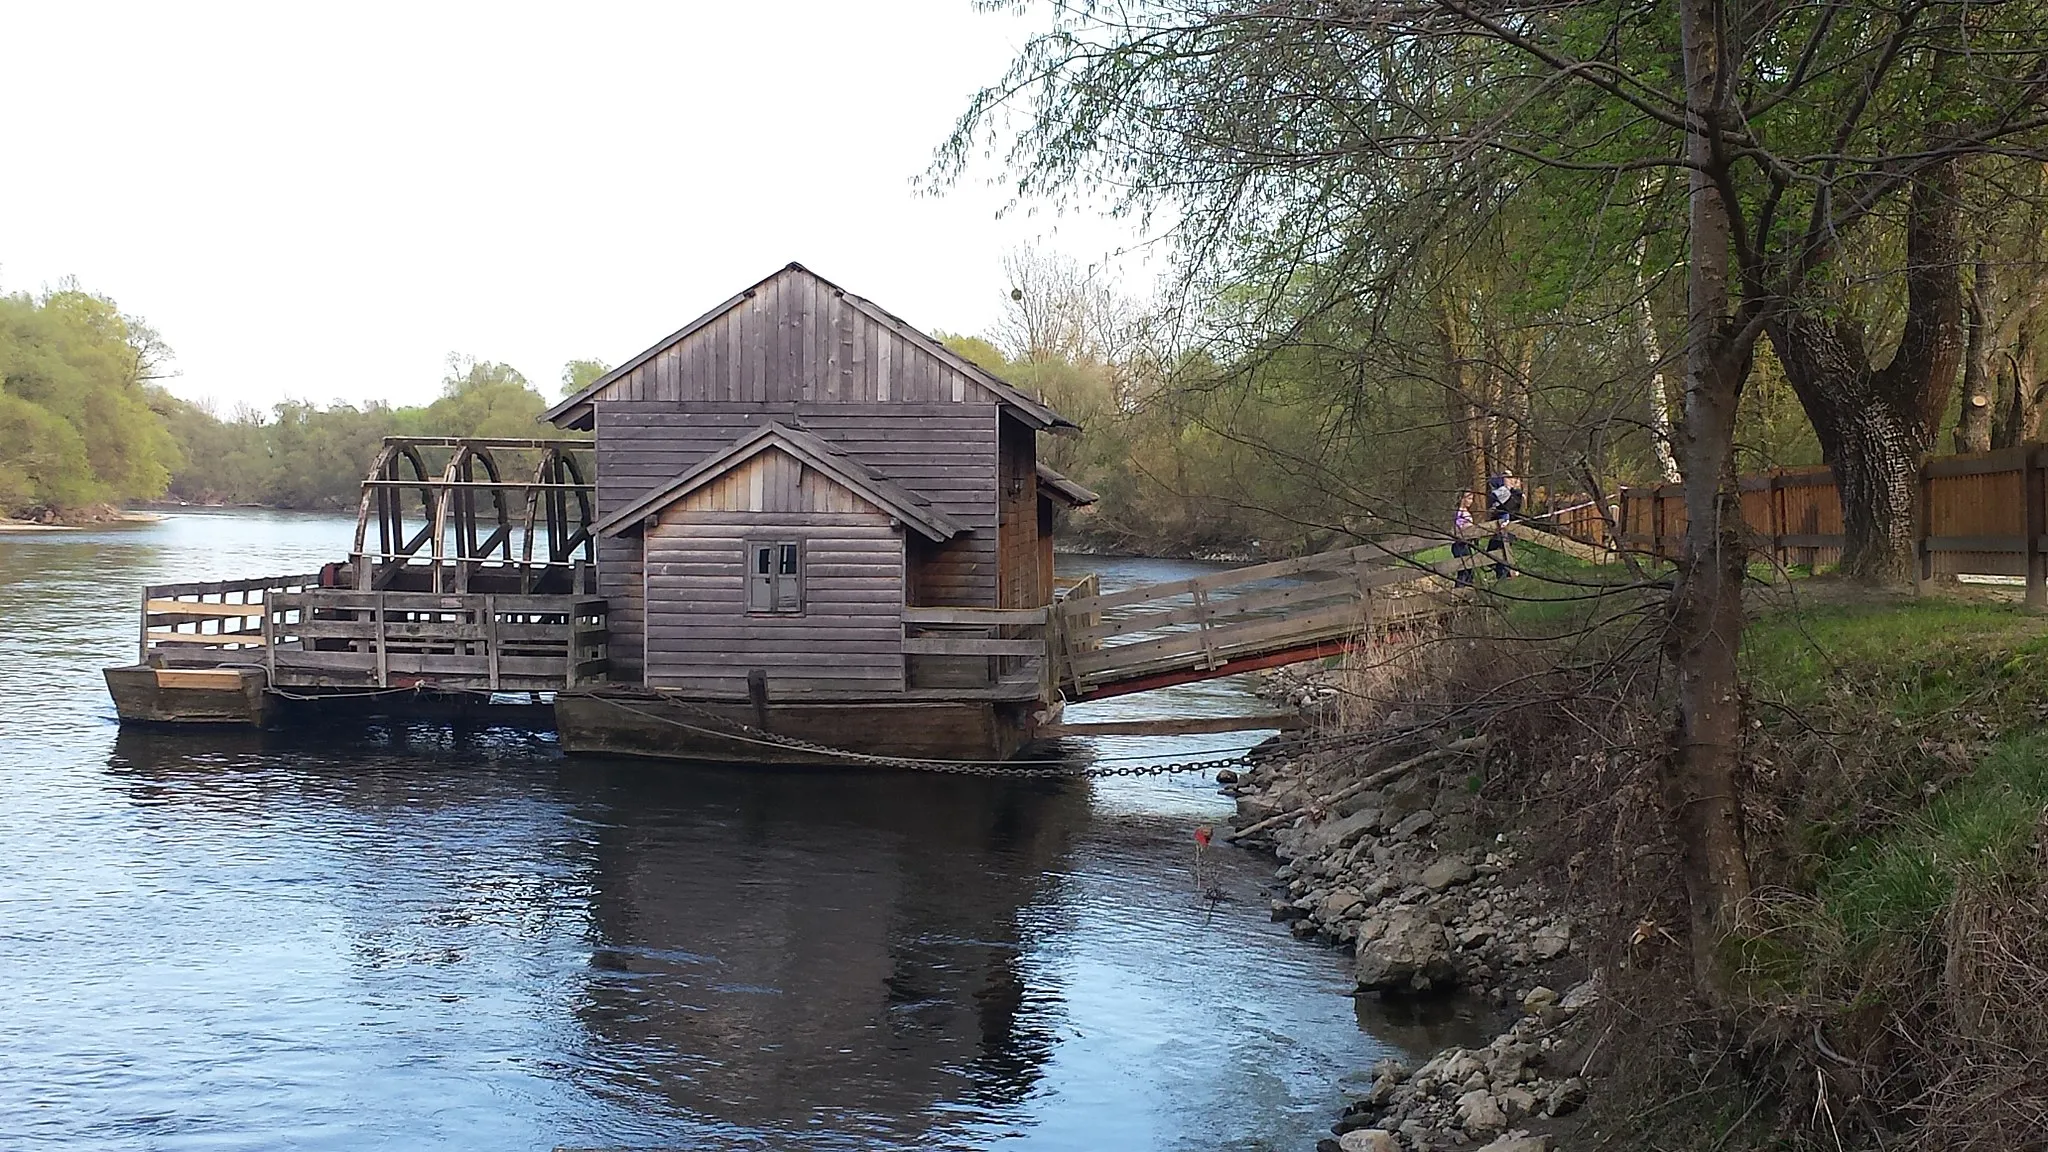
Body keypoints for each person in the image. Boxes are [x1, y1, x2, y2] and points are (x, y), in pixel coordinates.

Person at [1486, 473, 1523, 580]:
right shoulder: (1504, 491)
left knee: (1503, 548)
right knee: (1495, 548)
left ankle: (1504, 573)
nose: (1510, 480)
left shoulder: (1515, 494)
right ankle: (1501, 572)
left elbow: (1510, 508)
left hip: (1507, 524)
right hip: (1498, 524)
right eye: (1507, 478)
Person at [1451, 492, 1477, 587]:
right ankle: (1459, 592)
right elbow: (1459, 527)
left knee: (1469, 569)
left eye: (1472, 498)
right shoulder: (1459, 513)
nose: (1471, 501)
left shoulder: (1466, 512)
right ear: (1462, 499)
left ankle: (1468, 592)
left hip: (1466, 544)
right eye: (1469, 498)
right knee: (1464, 569)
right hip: (1459, 545)